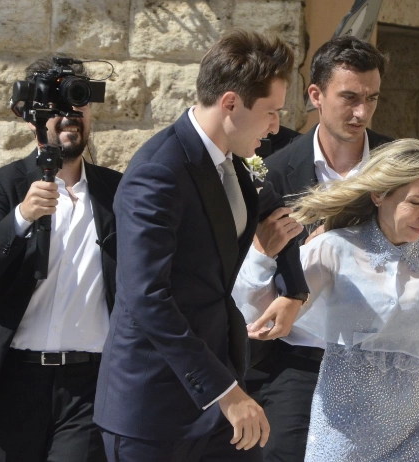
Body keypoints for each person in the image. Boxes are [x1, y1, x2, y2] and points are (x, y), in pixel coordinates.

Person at [245, 34, 419, 462]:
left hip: (387, 372)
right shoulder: (271, 172)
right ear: (315, 95)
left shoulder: (400, 159)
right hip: (298, 361)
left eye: (372, 98)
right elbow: (247, 272)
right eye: (349, 97)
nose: (361, 111)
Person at [93, 29, 310, 461]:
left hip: (219, 400)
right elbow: (146, 297)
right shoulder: (159, 172)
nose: (275, 126)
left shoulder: (234, 165)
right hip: (155, 409)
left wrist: (294, 291)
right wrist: (225, 391)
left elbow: (274, 215)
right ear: (230, 103)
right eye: (270, 112)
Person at [236, 139, 419, 461]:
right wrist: (261, 258)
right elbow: (255, 317)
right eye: (416, 202)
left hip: (416, 437)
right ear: (379, 194)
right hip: (341, 438)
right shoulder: (332, 248)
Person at [0, 56, 122, 461]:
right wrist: (21, 217)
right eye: (56, 104)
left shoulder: (117, 192)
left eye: (79, 100)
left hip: (87, 386)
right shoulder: (3, 185)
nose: (70, 115)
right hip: (12, 380)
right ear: (31, 115)